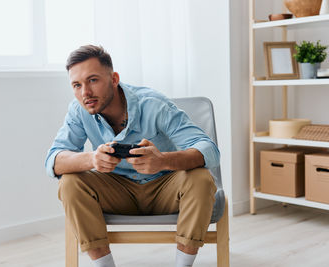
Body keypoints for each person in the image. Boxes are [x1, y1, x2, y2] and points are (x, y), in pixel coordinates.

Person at [45, 45, 220, 267]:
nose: (85, 93)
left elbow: (209, 150)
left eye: (93, 80)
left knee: (201, 179)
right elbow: (53, 160)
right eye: (77, 85)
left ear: (114, 78)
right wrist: (92, 160)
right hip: (116, 191)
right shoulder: (79, 111)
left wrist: (163, 160)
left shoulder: (154, 105)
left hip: (165, 189)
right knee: (69, 182)